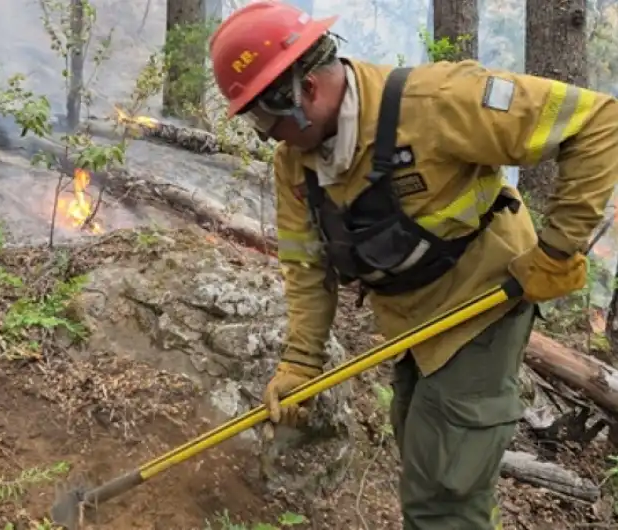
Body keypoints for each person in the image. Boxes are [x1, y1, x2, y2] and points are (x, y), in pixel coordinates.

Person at [208, 2, 618, 529]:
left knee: (442, 490)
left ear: (301, 90)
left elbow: (596, 120)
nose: (266, 136)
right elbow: (307, 269)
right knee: (425, 453)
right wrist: (300, 364)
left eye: (262, 119)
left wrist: (558, 249)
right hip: (410, 319)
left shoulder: (435, 102)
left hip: (486, 301)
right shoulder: (296, 166)